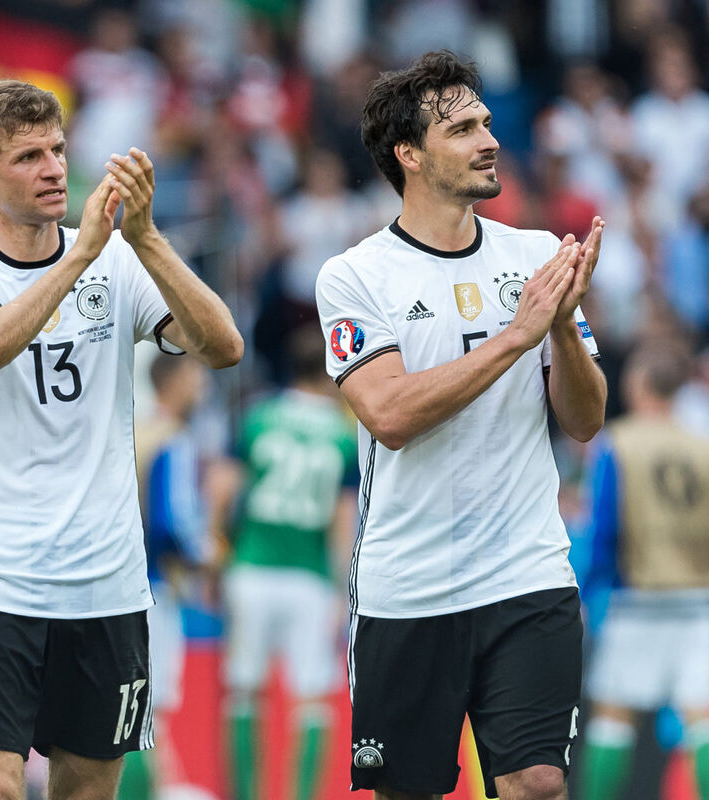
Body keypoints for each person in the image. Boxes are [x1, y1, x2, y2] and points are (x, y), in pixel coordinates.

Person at [0, 79, 242, 800]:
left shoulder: (119, 261)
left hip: (106, 582)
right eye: (28, 157)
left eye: (57, 150)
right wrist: (76, 259)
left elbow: (222, 347)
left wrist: (145, 240)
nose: (53, 168)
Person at [314, 51, 607, 800]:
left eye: (486, 122)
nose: (489, 140)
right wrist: (517, 335)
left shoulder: (536, 256)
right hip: (408, 587)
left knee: (538, 782)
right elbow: (388, 415)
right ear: (408, 155)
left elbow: (584, 420)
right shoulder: (355, 276)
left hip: (527, 572)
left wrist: (562, 326)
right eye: (463, 129)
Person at [216, 325, 358, 800]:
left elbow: (221, 490)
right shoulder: (343, 434)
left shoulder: (259, 416)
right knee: (313, 697)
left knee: (243, 690)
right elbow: (342, 520)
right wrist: (341, 588)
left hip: (251, 566)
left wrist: (219, 551)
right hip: (309, 576)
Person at [578, 342, 709, 800]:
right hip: (698, 600)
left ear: (639, 384)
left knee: (613, 720)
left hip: (636, 600)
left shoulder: (618, 442)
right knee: (701, 719)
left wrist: (588, 592)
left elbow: (603, 527)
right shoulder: (702, 446)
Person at [119, 353, 214, 800]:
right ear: (173, 380)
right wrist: (210, 558)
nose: (203, 386)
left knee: (128, 709)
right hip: (155, 588)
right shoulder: (172, 438)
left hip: (121, 587)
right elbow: (173, 522)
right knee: (147, 713)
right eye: (196, 375)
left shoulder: (134, 431)